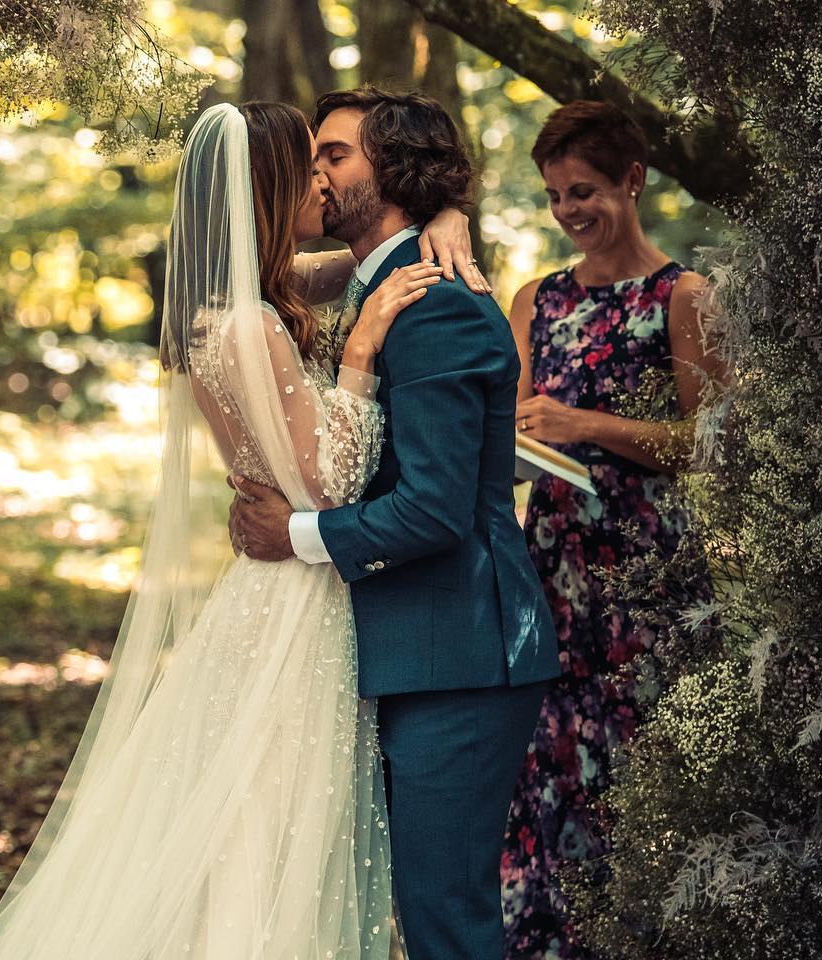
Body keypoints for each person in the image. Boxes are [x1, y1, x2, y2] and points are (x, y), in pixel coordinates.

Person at [0, 99, 482, 959]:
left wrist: (446, 210)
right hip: (295, 605)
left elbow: (355, 259)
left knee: (271, 828)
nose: (322, 180)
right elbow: (328, 480)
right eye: (308, 166)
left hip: (282, 591)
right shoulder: (249, 324)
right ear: (271, 185)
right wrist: (360, 356)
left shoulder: (242, 300)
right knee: (274, 831)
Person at [230, 87, 560, 960]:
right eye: (309, 162)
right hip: (396, 646)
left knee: (443, 918)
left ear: (396, 171)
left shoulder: (438, 301)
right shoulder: (366, 283)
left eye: (333, 155)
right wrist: (447, 209)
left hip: (460, 654)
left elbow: (436, 509)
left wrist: (291, 538)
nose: (316, 176)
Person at [500, 100, 724, 960]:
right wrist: (523, 434)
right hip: (551, 571)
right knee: (547, 769)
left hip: (647, 580)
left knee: (642, 773)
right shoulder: (538, 300)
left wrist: (587, 425)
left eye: (584, 190)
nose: (569, 212)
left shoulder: (684, 297)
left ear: (634, 181)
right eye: (556, 196)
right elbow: (517, 421)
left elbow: (707, 446)